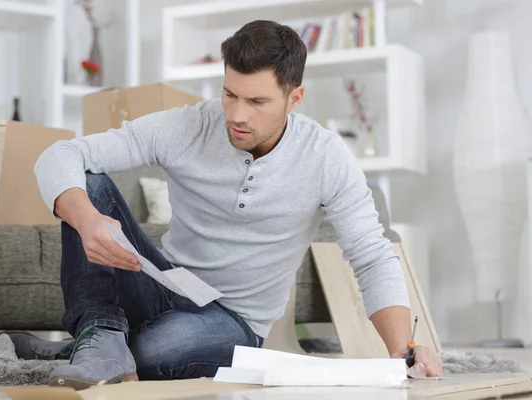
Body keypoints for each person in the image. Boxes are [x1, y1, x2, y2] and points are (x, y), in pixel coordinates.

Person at [34, 19, 442, 388]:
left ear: (294, 98)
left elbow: (371, 256)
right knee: (87, 183)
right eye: (230, 94)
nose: (238, 115)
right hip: (164, 284)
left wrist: (402, 348)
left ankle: (90, 348)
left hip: (234, 321)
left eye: (258, 102)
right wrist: (86, 219)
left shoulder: (326, 158)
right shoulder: (190, 125)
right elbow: (60, 156)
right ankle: (103, 335)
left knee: (159, 351)